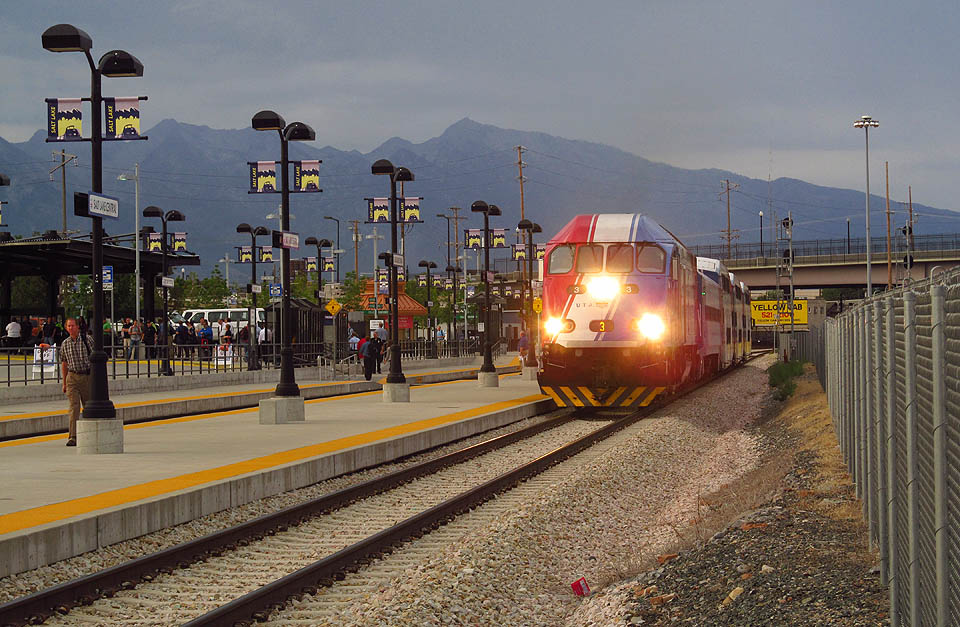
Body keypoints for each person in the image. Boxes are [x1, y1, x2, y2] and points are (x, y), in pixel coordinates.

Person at [59, 318, 91, 447]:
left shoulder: (87, 340)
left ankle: (89, 433)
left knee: (88, 406)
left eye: (73, 326)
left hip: (86, 376)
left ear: (78, 327)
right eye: (68, 326)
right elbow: (64, 363)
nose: (71, 328)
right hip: (72, 377)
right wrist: (64, 382)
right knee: (74, 407)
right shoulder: (65, 343)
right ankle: (73, 436)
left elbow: (96, 357)